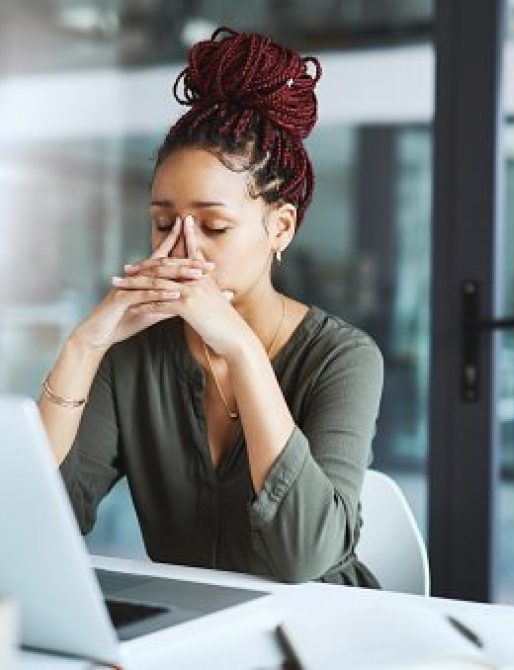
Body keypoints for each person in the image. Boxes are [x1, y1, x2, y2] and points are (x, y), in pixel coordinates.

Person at [38, 26, 384, 588]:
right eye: (161, 223)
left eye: (215, 226)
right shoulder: (133, 356)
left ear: (281, 227)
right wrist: (84, 347)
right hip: (193, 630)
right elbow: (38, 522)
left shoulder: (343, 358)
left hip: (322, 627)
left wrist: (243, 351)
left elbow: (305, 558)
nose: (180, 249)